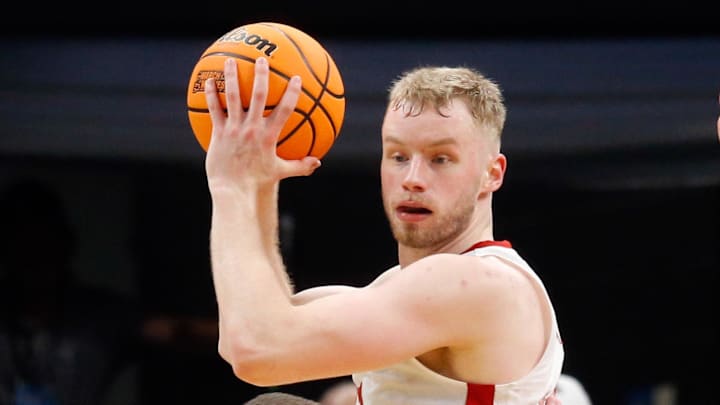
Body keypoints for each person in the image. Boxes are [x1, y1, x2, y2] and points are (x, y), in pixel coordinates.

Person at [202, 57, 564, 404]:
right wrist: (261, 181)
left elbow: (257, 350)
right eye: (398, 156)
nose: (413, 179)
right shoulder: (397, 287)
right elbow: (245, 333)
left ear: (493, 174)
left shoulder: (478, 282)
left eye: (440, 159)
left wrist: (231, 186)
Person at [0, 178, 138, 405]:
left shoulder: (99, 317)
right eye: (22, 248)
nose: (35, 262)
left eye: (44, 247)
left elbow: (178, 332)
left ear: (65, 248)